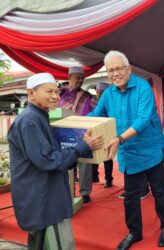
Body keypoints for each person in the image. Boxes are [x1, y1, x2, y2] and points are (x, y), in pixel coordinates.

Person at [89, 50, 164, 250]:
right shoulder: (108, 93)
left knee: (159, 190)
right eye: (110, 71)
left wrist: (118, 138)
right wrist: (80, 126)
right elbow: (96, 115)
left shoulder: (143, 87)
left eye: (118, 69)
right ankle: (134, 232)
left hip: (151, 148)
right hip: (129, 152)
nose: (115, 74)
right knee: (131, 195)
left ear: (128, 69)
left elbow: (143, 120)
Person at [8, 73, 103, 250]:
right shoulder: (30, 120)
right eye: (49, 91)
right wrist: (82, 147)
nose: (55, 96)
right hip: (42, 196)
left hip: (43, 192)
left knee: (40, 243)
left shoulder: (39, 116)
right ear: (31, 93)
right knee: (58, 243)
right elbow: (48, 160)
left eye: (57, 92)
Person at [57, 66, 94, 203]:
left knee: (85, 164)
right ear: (69, 77)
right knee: (66, 162)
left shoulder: (88, 96)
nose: (80, 80)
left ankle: (85, 192)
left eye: (82, 78)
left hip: (82, 133)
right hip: (63, 133)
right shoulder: (59, 94)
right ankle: (66, 190)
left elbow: (95, 113)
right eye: (77, 77)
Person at [92, 82, 114, 188]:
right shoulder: (93, 103)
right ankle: (94, 176)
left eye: (102, 93)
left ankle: (109, 180)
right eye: (97, 92)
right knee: (94, 154)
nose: (99, 95)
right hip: (95, 133)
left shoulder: (111, 103)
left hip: (107, 132)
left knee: (107, 157)